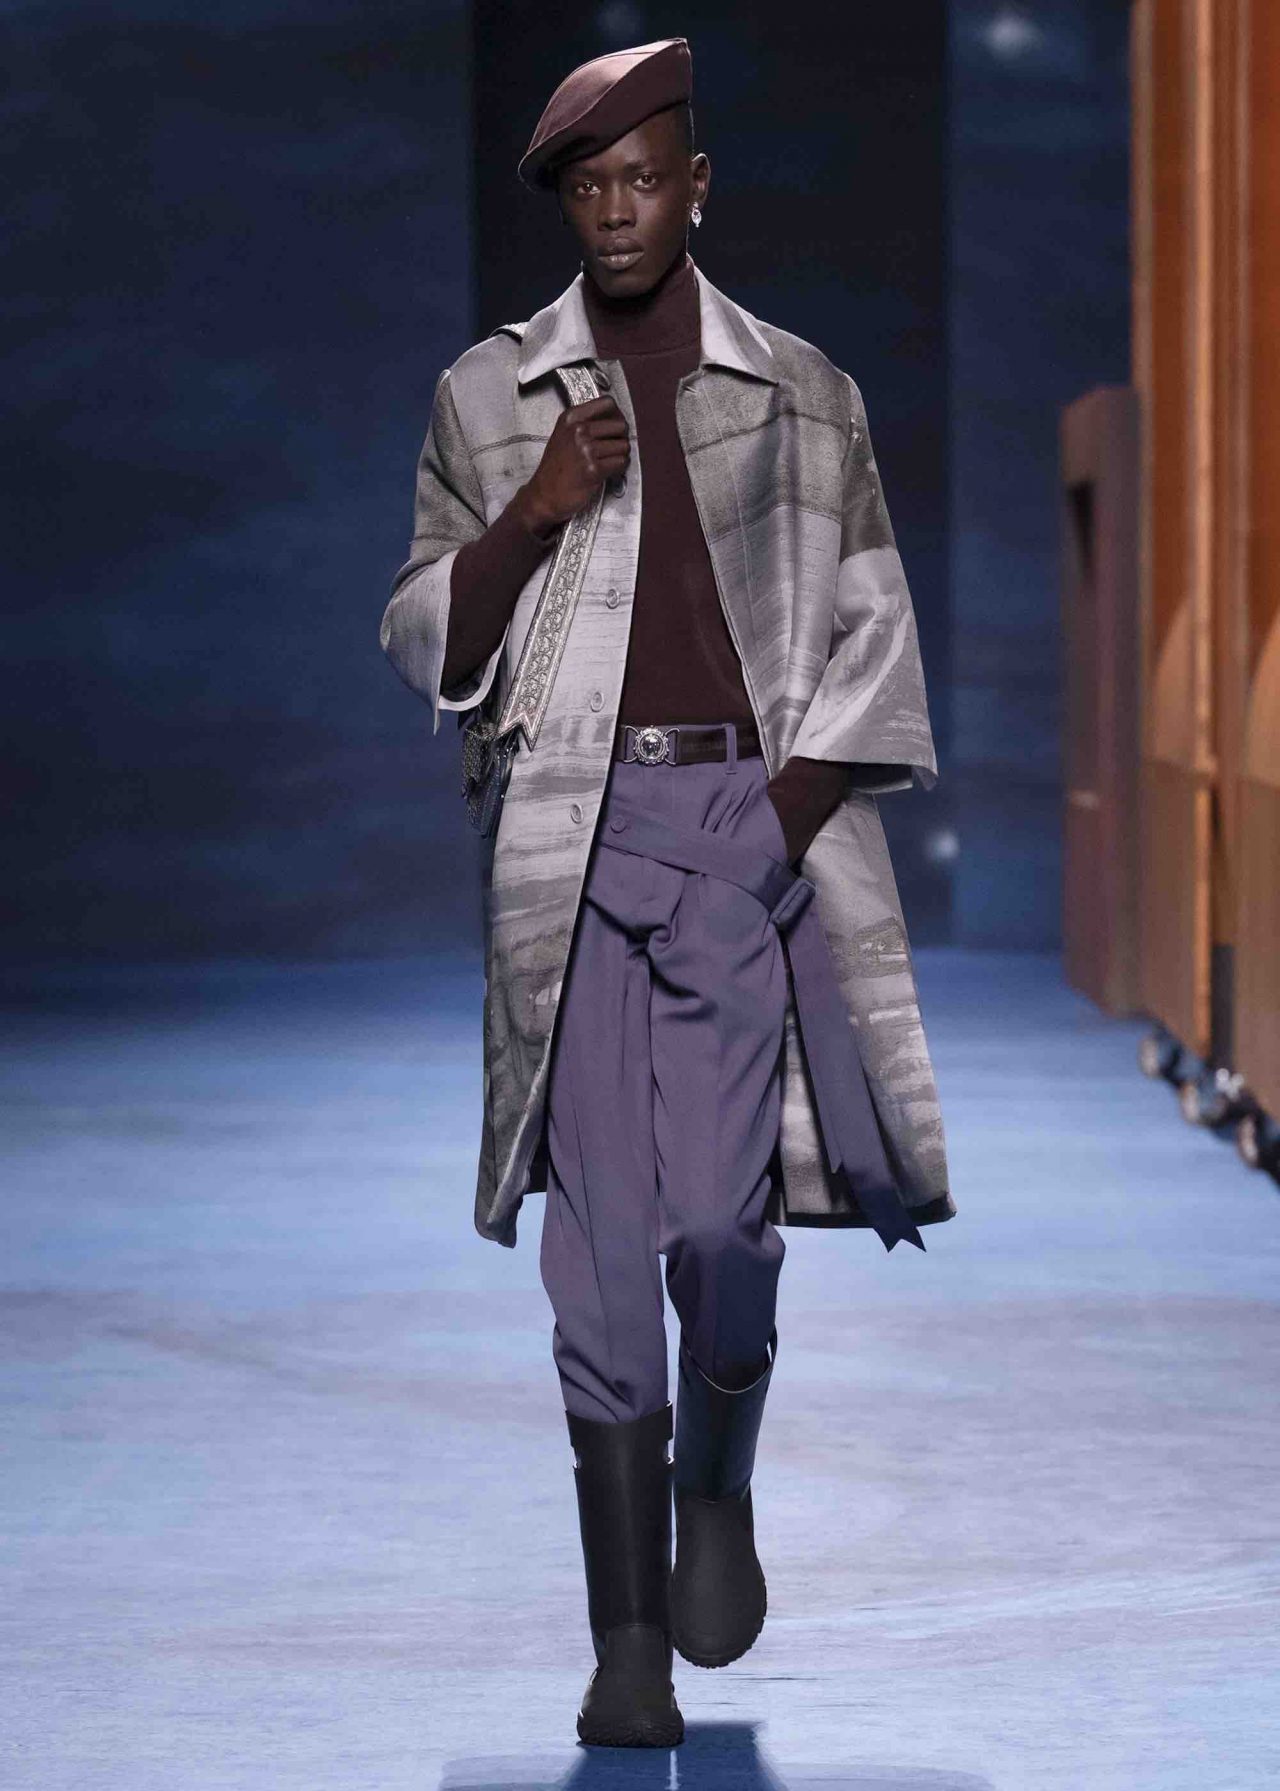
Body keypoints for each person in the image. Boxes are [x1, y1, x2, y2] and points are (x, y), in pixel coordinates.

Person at [380, 36, 954, 1750]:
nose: (619, 210)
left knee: (720, 1228)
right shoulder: (492, 397)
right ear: (567, 203)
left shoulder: (802, 392)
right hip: (571, 840)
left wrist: (776, 832)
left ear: (698, 189)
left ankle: (719, 1484)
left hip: (741, 830)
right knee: (600, 1259)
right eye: (591, 186)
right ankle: (627, 1643)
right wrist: (532, 514)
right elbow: (422, 635)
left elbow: (873, 631)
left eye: (646, 179)